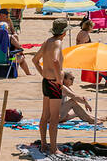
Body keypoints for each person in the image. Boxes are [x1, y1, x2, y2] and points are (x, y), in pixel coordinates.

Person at [32, 19, 69, 155]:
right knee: (54, 118)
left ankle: (43, 144)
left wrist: (43, 73)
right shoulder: (58, 43)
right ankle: (53, 148)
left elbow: (35, 60)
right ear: (64, 32)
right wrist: (59, 79)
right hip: (54, 82)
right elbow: (54, 60)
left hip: (46, 81)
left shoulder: (47, 41)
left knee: (44, 116)